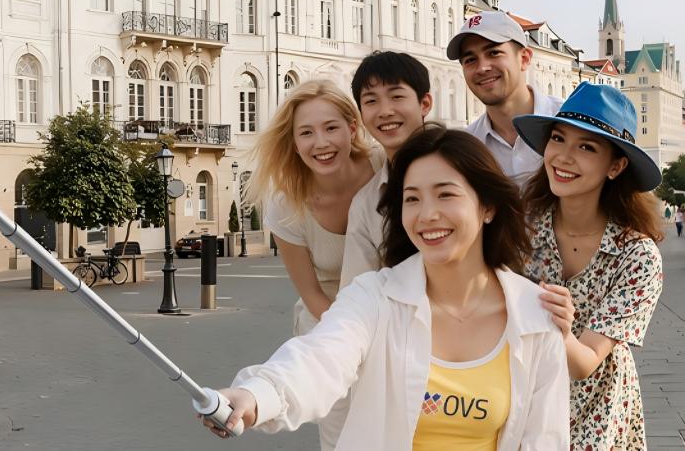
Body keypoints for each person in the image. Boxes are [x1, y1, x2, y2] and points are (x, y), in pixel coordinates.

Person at [203, 127, 569, 448]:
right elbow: (319, 359)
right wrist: (257, 394)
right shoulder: (374, 298)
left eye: (445, 195)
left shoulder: (535, 315)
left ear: (487, 206)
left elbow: (546, 438)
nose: (427, 215)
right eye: (412, 198)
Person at [515, 82, 664, 450]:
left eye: (586, 147)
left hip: (599, 410)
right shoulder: (520, 231)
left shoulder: (637, 256)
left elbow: (584, 363)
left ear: (615, 166)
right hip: (526, 401)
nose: (563, 157)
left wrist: (562, 331)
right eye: (558, 138)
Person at [244, 79, 381, 450]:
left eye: (331, 128)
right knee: (341, 440)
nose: (320, 143)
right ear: (294, 142)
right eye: (306, 133)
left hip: (390, 323)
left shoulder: (384, 169)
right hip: (328, 324)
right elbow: (311, 293)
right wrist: (353, 338)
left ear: (352, 129)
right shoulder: (287, 205)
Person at [342, 51, 433, 286]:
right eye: (371, 101)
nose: (385, 111)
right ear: (361, 115)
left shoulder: (465, 165)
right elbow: (357, 290)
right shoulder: (367, 202)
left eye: (396, 96)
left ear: (424, 103)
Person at [447, 10, 563, 183]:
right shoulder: (466, 147)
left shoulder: (568, 122)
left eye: (493, 53)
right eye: (470, 60)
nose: (482, 68)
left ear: (524, 59)